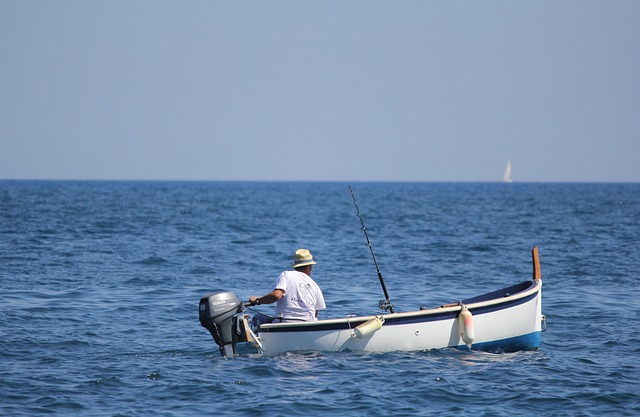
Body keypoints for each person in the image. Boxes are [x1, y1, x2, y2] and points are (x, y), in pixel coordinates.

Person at [249, 248, 326, 322]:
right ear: (310, 266)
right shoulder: (315, 286)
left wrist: (257, 301)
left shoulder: (286, 275)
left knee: (257, 318)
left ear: (295, 265)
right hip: (309, 325)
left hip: (284, 324)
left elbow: (276, 295)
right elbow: (315, 314)